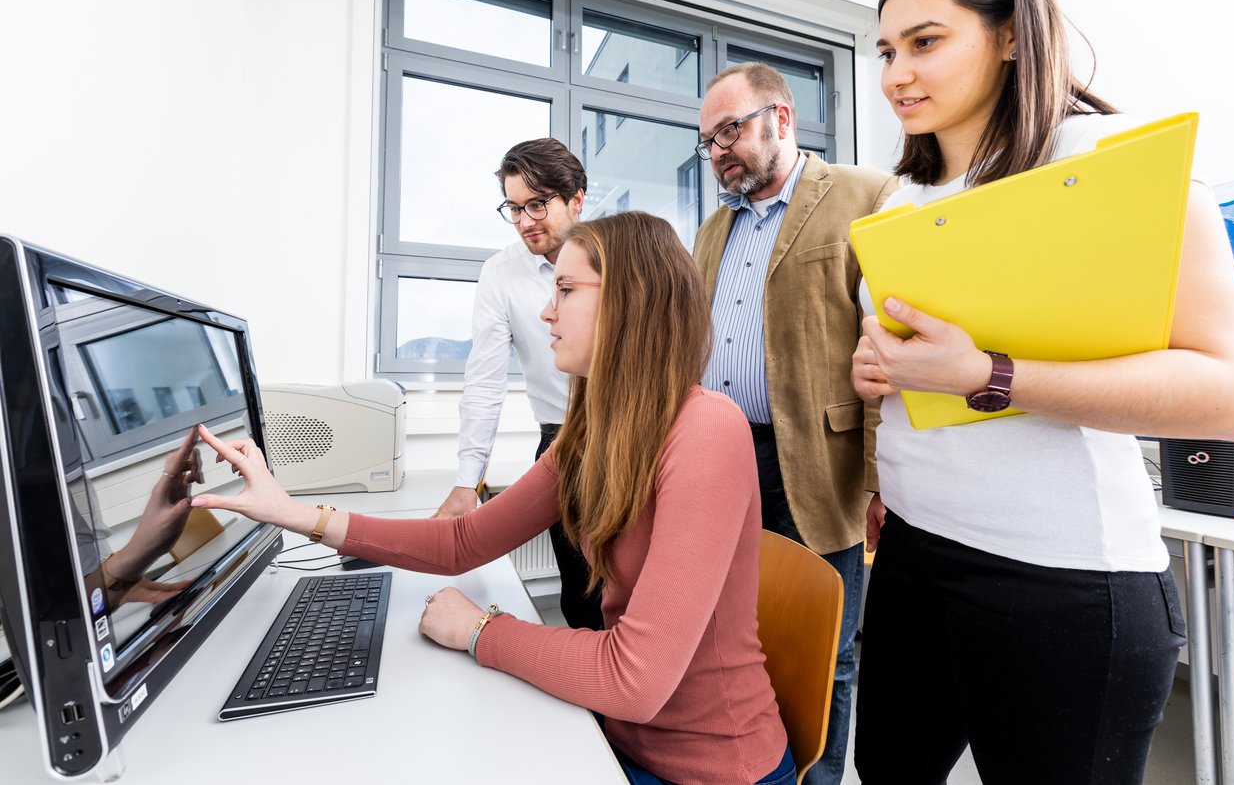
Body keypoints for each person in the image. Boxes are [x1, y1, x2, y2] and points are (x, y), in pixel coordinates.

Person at [851, 0, 1234, 783]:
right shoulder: (903, 197)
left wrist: (988, 375)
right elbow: (918, 368)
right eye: (887, 49)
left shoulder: (1110, 164)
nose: (896, 72)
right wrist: (881, 376)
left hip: (1063, 582)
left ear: (1011, 35)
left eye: (926, 42)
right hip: (915, 549)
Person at [193, 211, 797, 785]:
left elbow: (633, 678)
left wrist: (482, 629)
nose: (546, 311)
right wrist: (296, 514)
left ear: (626, 300)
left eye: (565, 289)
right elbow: (464, 541)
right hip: (619, 738)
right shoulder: (592, 433)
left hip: (709, 768)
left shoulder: (707, 430)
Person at [691, 61, 896, 785]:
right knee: (736, 637)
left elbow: (886, 348)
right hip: (724, 461)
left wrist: (881, 481)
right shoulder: (714, 228)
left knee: (826, 649)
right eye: (707, 140)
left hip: (817, 464)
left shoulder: (866, 195)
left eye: (729, 130)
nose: (718, 150)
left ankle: (820, 777)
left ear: (782, 119)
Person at [433, 137, 602, 633]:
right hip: (563, 442)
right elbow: (483, 380)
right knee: (582, 598)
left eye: (537, 204)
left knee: (638, 594)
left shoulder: (620, 256)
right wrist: (470, 481)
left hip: (634, 434)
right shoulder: (500, 274)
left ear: (576, 199)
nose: (526, 220)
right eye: (514, 208)